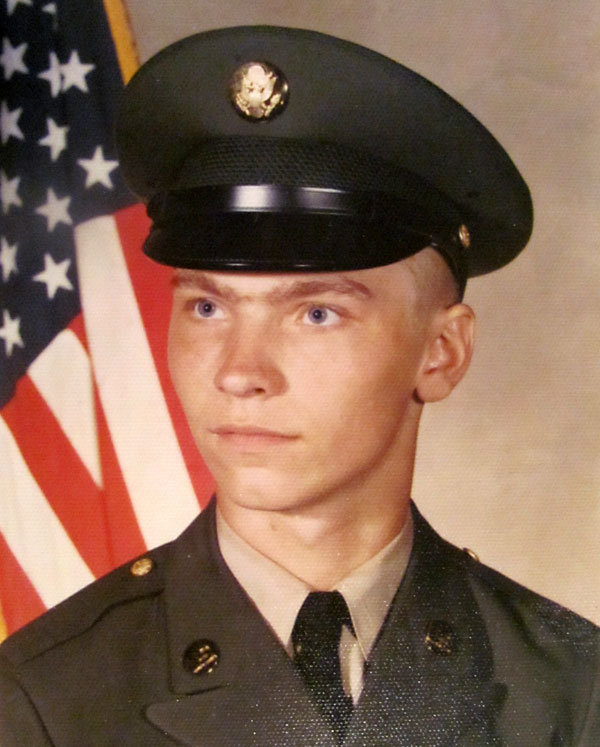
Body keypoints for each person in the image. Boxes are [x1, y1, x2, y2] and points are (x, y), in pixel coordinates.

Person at [0, 26, 598, 746]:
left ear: (441, 353)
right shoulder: (41, 703)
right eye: (208, 307)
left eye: (316, 313)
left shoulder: (575, 693)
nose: (239, 372)